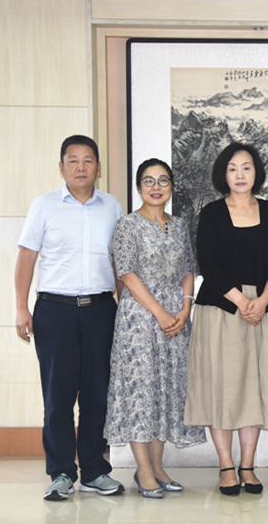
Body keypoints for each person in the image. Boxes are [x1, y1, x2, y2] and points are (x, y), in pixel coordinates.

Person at [14, 135, 126, 500]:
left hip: (101, 310)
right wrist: (21, 307)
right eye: (73, 160)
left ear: (98, 167)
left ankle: (94, 471)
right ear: (61, 167)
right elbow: (26, 258)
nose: (80, 167)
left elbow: (119, 262)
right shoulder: (44, 206)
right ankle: (61, 472)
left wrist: (124, 308)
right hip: (55, 311)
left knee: (98, 394)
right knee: (58, 397)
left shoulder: (112, 206)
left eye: (87, 160)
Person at [184, 142, 268, 496]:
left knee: (252, 389)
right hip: (222, 310)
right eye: (232, 168)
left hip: (261, 310)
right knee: (223, 389)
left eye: (246, 167)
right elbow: (208, 265)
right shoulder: (212, 213)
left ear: (256, 173)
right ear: (222, 175)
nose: (240, 175)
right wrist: (243, 302)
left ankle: (248, 466)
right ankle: (226, 466)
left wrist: (263, 300)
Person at [103, 158, 206, 498]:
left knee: (166, 391)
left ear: (171, 186)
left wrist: (186, 307)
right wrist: (160, 312)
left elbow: (188, 269)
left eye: (163, 180)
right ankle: (143, 470)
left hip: (175, 320)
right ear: (139, 187)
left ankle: (158, 467)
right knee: (140, 392)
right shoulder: (127, 225)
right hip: (139, 319)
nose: (156, 187)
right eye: (149, 181)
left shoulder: (178, 226)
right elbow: (127, 274)